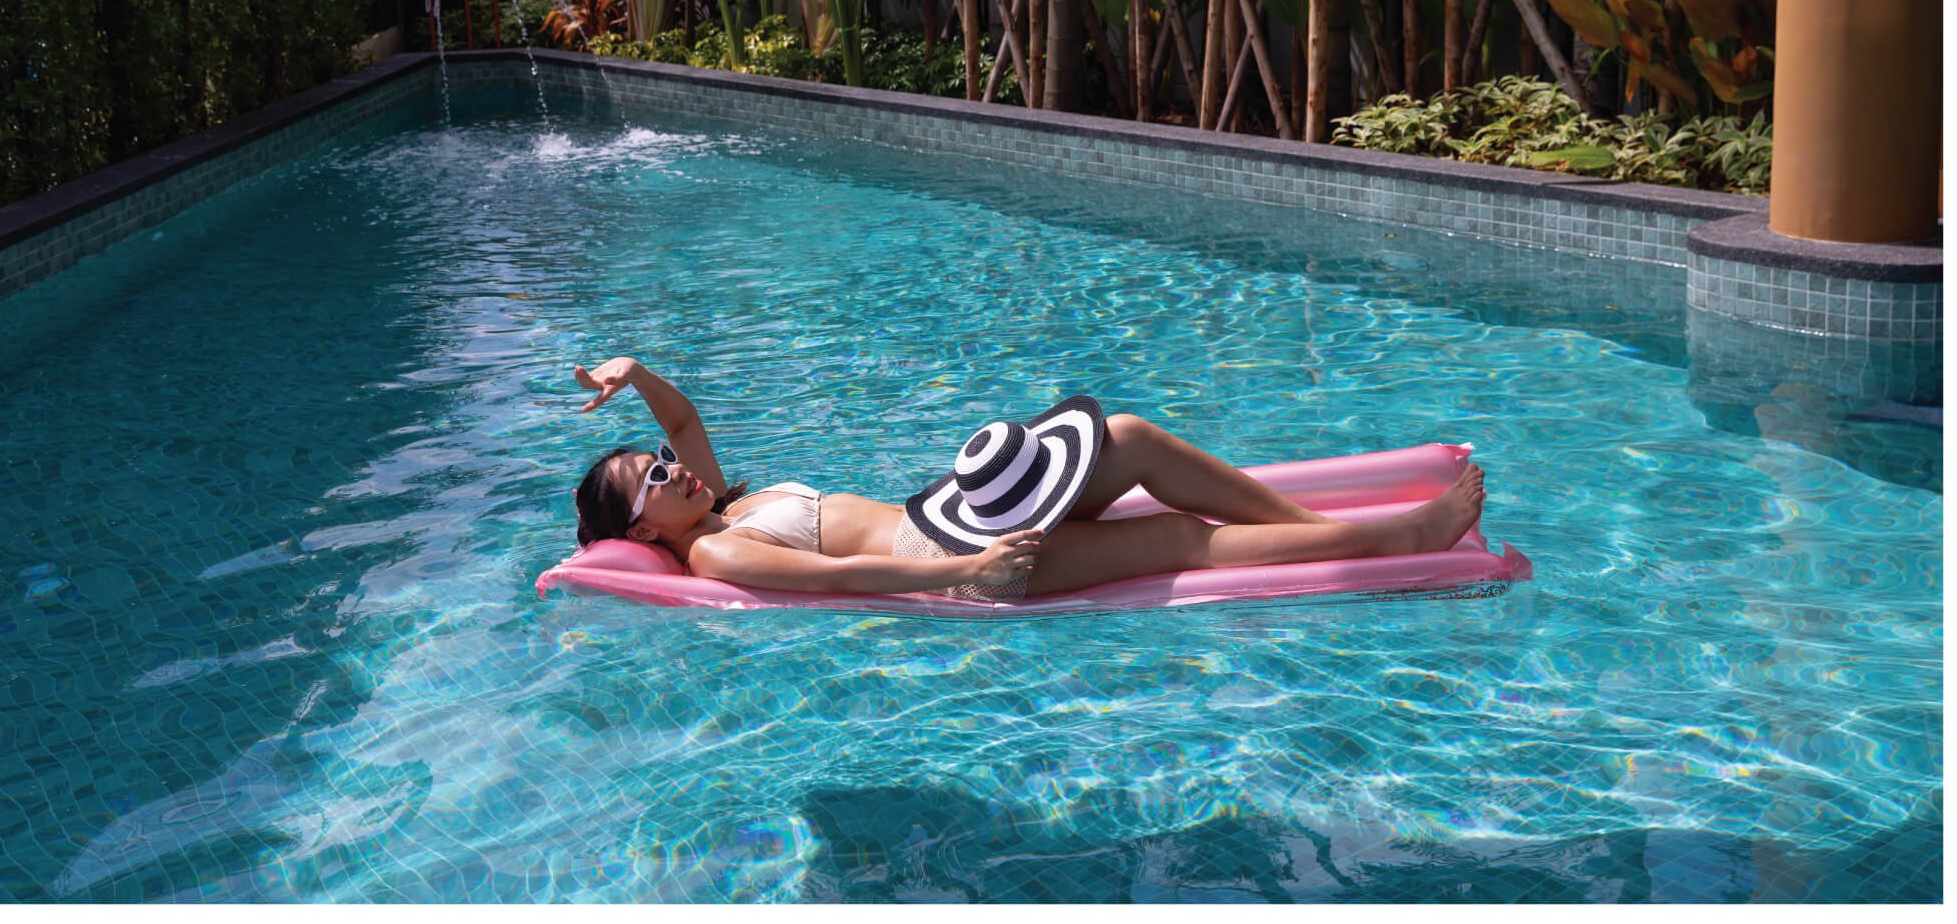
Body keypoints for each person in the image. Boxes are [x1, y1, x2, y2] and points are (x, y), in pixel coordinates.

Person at [570, 357, 1485, 602]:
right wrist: (968, 571)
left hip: (953, 509)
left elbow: (685, 420)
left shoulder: (724, 501)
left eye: (659, 460)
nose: (672, 462)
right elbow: (845, 576)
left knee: (1126, 439)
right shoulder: (723, 554)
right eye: (654, 476)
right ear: (646, 531)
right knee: (1173, 540)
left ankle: (1304, 521)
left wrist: (635, 371)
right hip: (969, 555)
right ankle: (1393, 538)